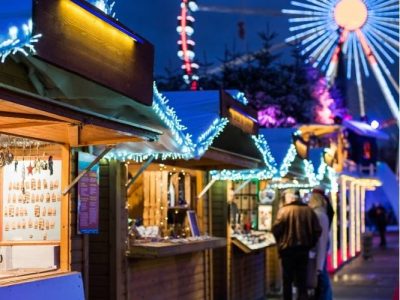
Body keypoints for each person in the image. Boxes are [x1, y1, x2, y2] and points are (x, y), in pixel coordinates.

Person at [272, 189, 322, 300]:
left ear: (290, 198)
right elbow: (317, 230)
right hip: (303, 249)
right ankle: (302, 297)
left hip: (287, 250)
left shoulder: (284, 210)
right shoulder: (308, 211)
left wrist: (280, 243)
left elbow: (276, 229)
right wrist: (310, 243)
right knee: (302, 278)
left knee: (287, 279)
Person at [309, 191, 333, 300]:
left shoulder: (318, 215)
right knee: (322, 277)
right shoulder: (322, 213)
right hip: (321, 250)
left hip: (318, 251)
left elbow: (320, 239)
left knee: (321, 277)